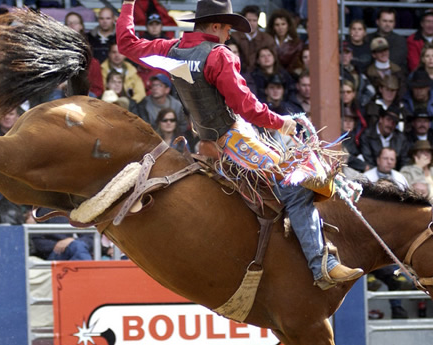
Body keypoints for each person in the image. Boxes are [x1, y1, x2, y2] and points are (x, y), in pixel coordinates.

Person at [116, 0, 363, 286]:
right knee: (297, 188)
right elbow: (246, 106)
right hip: (235, 142)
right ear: (217, 25)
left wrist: (128, 4)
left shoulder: (171, 50)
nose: (230, 35)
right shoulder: (219, 56)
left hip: (204, 143)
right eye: (228, 29)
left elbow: (126, 44)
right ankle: (322, 266)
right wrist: (281, 122)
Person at [229, 5, 274, 73]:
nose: (251, 23)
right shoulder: (233, 37)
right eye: (249, 20)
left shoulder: (267, 39)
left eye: (254, 20)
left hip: (262, 76)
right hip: (238, 73)